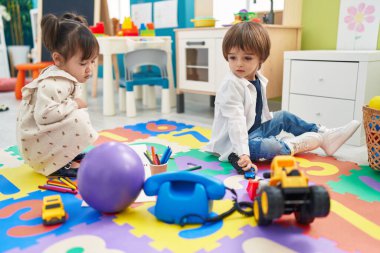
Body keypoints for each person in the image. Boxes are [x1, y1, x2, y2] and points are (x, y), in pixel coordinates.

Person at [205, 22, 360, 172]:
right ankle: (292, 145)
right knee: (270, 147)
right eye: (232, 57)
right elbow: (235, 122)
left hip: (255, 128)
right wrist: (243, 153)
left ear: (261, 59)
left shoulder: (256, 77)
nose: (239, 64)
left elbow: (259, 113)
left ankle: (325, 135)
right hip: (237, 142)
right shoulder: (231, 85)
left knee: (284, 116)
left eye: (247, 58)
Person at [16, 13, 99, 177]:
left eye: (92, 61)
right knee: (77, 117)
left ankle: (67, 155)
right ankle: (58, 163)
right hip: (37, 149)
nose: (89, 69)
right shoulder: (53, 83)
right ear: (58, 59)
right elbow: (44, 116)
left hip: (43, 140)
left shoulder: (66, 75)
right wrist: (75, 104)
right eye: (83, 63)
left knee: (77, 114)